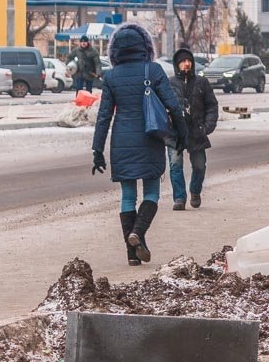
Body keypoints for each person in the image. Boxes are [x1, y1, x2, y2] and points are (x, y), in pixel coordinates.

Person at [92, 25, 189, 266]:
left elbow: (104, 116)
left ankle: (131, 253)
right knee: (152, 193)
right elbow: (173, 106)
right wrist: (183, 134)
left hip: (121, 140)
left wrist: (97, 150)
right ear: (145, 47)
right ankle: (138, 233)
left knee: (127, 196)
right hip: (150, 137)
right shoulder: (153, 70)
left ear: (115, 51)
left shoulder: (111, 77)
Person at [168, 47, 219, 211]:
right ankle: (179, 198)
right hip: (175, 132)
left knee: (199, 166)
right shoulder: (169, 83)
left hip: (197, 131)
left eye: (189, 61)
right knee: (175, 165)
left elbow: (212, 105)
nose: (187, 64)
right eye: (183, 61)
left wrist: (207, 127)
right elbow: (162, 106)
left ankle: (195, 191)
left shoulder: (201, 82)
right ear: (177, 64)